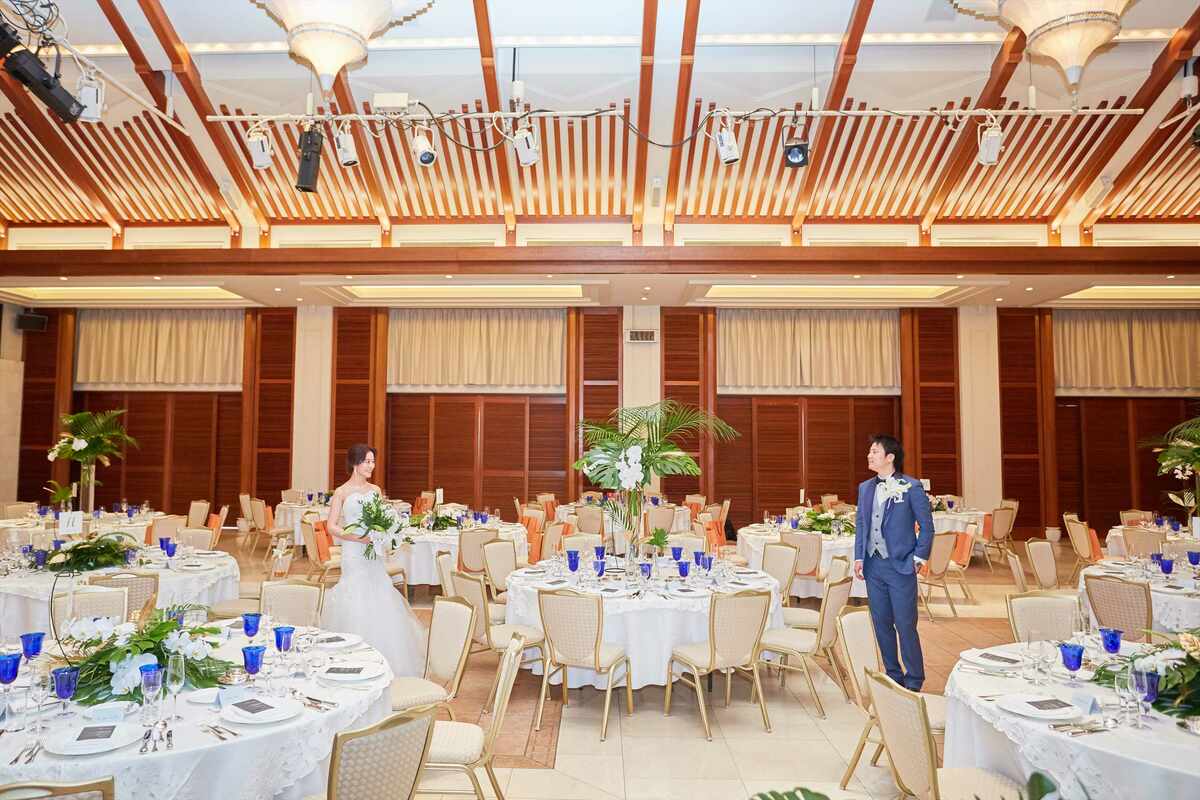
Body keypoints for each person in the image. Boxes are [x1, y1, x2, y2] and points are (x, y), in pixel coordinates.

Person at [321, 443, 426, 677]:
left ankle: (384, 660)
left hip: (372, 554)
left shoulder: (375, 490)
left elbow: (382, 518)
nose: (371, 466)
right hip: (353, 553)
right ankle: (353, 658)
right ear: (355, 463)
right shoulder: (341, 492)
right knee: (356, 595)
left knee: (379, 593)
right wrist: (358, 537)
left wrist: (385, 532)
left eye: (372, 461)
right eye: (367, 461)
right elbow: (331, 526)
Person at [853, 434, 934, 691]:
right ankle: (893, 674)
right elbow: (862, 524)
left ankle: (914, 679)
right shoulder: (865, 488)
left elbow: (927, 527)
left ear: (890, 457)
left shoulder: (911, 487)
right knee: (881, 623)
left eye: (875, 451)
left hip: (901, 566)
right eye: (870, 451)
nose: (869, 455)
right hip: (873, 565)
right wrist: (859, 556)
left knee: (905, 624)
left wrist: (918, 558)